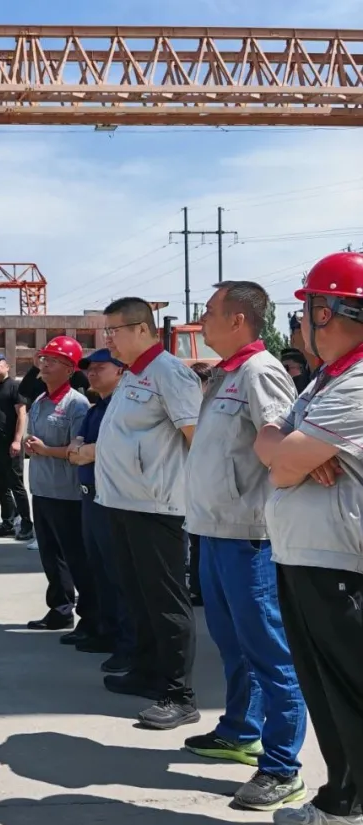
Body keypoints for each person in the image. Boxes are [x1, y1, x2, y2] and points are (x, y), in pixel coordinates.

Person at [181, 282, 307, 812]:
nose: (202, 321)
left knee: (269, 651)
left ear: (237, 320)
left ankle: (281, 766)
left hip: (248, 536)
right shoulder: (227, 373)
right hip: (214, 530)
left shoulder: (261, 372)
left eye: (210, 312)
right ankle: (240, 730)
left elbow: (283, 441)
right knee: (232, 642)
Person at [256, 251, 363, 825]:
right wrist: (289, 450)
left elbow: (280, 463)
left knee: (350, 691)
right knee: (325, 690)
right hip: (307, 553)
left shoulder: (358, 381)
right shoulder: (327, 378)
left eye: (306, 311)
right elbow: (268, 442)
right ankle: (340, 801)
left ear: (328, 312)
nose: (300, 324)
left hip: (339, 560)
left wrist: (289, 453)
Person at [96, 296, 203, 731]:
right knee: (136, 594)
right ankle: (146, 671)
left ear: (142, 329)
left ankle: (179, 694)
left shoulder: (169, 373)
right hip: (123, 502)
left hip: (157, 506)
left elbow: (197, 436)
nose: (108, 340)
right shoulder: (134, 374)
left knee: (165, 600)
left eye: (114, 331)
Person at [68, 349, 135, 672]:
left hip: (111, 498)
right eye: (89, 369)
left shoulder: (123, 407)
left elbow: (106, 449)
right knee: (99, 570)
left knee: (118, 573)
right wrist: (84, 451)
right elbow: (75, 450)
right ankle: (106, 632)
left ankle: (127, 644)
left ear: (121, 371)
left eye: (99, 367)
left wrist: (86, 451)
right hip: (89, 496)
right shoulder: (95, 409)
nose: (92, 373)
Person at [22, 337, 94, 635]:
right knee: (51, 556)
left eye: (53, 361)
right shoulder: (39, 401)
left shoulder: (76, 404)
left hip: (67, 493)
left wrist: (45, 449)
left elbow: (78, 451)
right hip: (41, 489)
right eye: (44, 359)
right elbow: (32, 438)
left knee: (76, 557)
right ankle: (60, 609)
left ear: (69, 369)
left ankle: (91, 617)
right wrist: (29, 445)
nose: (45, 365)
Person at [0, 354, 34, 540]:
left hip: (11, 444)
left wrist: (17, 440)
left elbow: (21, 414)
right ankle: (8, 522)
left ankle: (27, 523)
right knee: (1, 486)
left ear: (7, 367)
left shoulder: (15, 387)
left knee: (16, 485)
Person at [186, 362, 214, 606]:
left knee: (203, 541)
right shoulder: (189, 408)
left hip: (209, 484)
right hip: (191, 482)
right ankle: (197, 587)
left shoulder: (210, 408)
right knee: (196, 540)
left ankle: (202, 588)